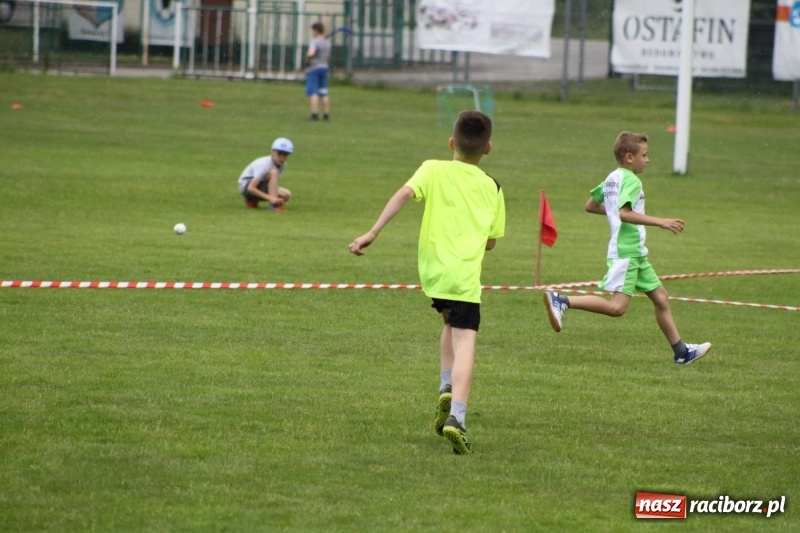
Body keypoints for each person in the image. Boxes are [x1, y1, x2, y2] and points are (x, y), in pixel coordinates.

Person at [349, 111, 506, 455]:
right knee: (467, 342)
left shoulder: (432, 168)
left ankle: (445, 385)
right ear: (488, 149)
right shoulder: (493, 187)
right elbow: (492, 242)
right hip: (464, 277)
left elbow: (404, 194)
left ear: (451, 143)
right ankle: (457, 418)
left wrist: (373, 232)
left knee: (449, 321)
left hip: (433, 275)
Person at [543, 131, 711, 365]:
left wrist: (614, 212)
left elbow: (590, 206)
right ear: (630, 157)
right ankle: (561, 300)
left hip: (636, 254)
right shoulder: (632, 180)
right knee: (617, 308)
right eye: (645, 155)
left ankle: (681, 352)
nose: (648, 160)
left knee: (661, 298)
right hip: (627, 251)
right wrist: (660, 221)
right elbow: (624, 213)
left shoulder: (612, 177)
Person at [237, 137, 293, 211]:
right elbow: (251, 188)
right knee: (274, 172)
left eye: (285, 154)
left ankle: (252, 200)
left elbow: (272, 183)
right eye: (279, 153)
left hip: (260, 185)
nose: (282, 157)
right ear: (272, 152)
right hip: (246, 187)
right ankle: (273, 206)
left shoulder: (282, 164)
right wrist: (271, 198)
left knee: (286, 195)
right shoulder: (264, 164)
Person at [305, 22, 331, 121]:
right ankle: (326, 114)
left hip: (314, 68)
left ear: (316, 30)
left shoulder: (315, 42)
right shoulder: (327, 42)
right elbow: (328, 57)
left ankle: (314, 113)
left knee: (313, 92)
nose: (312, 32)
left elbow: (311, 53)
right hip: (324, 67)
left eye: (312, 30)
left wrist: (307, 57)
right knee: (324, 92)